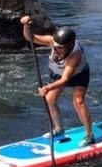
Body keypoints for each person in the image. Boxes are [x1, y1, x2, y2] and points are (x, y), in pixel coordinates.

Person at [20, 16, 95, 147]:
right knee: (50, 99)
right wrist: (25, 25)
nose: (55, 49)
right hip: (58, 74)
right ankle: (59, 129)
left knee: (78, 101)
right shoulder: (53, 42)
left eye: (60, 47)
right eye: (55, 45)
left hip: (78, 75)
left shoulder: (75, 55)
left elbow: (66, 79)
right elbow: (30, 38)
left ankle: (90, 135)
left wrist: (47, 87)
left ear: (69, 46)